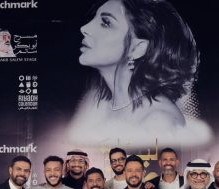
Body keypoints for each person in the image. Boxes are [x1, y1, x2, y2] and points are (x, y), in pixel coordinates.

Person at [68, 0, 211, 146]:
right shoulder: (95, 104)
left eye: (106, 23)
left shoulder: (159, 121)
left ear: (138, 48)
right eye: (93, 19)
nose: (84, 28)